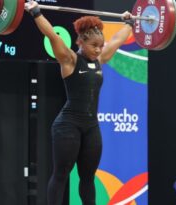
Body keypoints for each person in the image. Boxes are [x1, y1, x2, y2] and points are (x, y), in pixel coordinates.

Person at [24, 1, 134, 205]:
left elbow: (117, 40)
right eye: (94, 46)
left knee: (87, 178)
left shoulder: (100, 60)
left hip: (91, 127)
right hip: (68, 126)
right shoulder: (70, 60)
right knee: (61, 175)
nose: (99, 50)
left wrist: (129, 23)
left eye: (101, 46)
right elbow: (52, 36)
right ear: (80, 42)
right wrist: (36, 12)